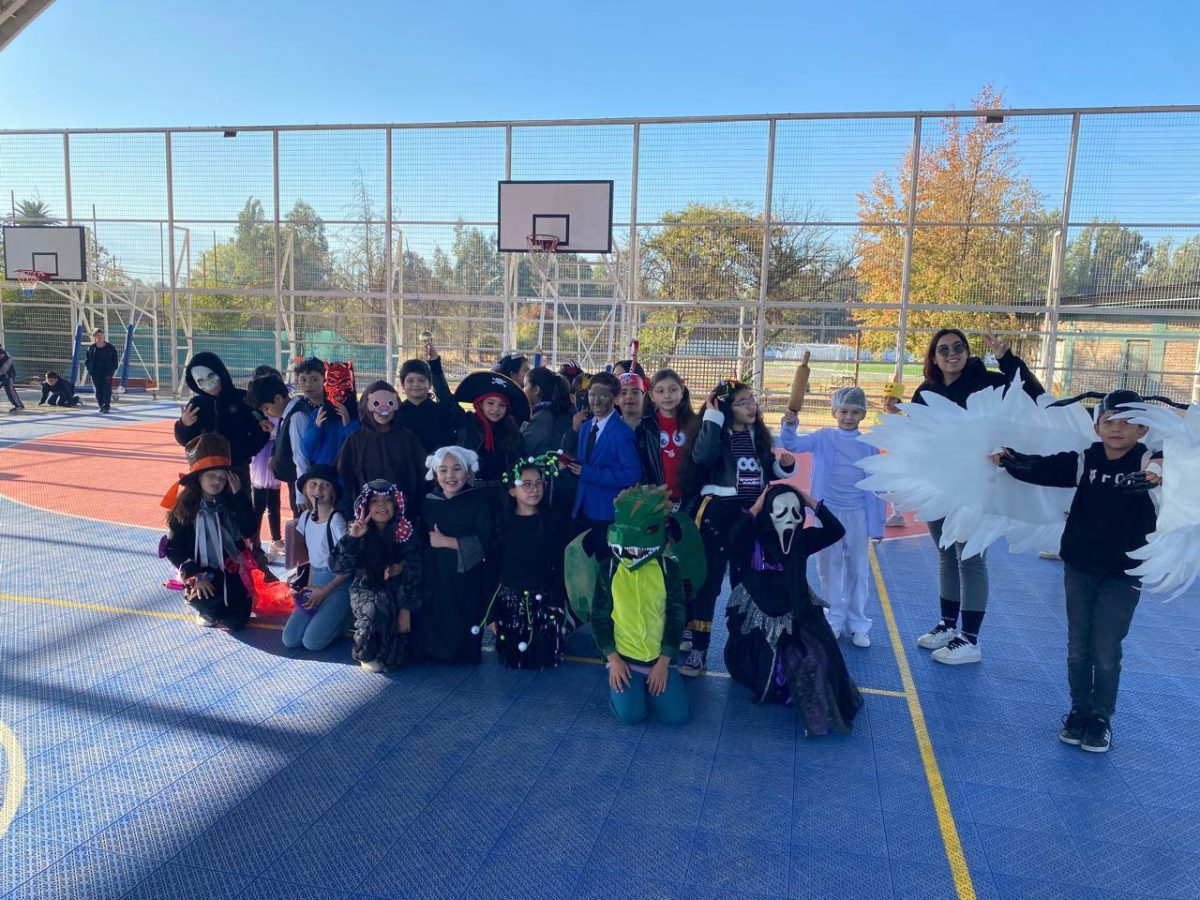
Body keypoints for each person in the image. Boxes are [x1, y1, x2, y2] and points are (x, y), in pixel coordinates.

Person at [991, 390, 1160, 753]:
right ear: (1097, 426)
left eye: (1128, 422)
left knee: (1106, 648)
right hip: (1080, 567)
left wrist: (1160, 468)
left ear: (1143, 428)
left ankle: (1101, 718)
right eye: (1109, 421)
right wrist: (1009, 459)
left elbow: (1185, 458)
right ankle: (1079, 711)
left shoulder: (1151, 463)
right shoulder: (1086, 460)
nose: (1117, 429)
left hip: (1124, 572)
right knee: (1077, 648)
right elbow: (1043, 466)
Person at [911, 329, 1043, 665]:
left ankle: (970, 639)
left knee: (969, 556)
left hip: (976, 484)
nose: (951, 353)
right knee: (945, 553)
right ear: (934, 356)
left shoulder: (989, 381)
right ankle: (948, 625)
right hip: (938, 482)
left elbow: (1033, 394)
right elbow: (915, 435)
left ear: (968, 352)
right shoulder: (926, 391)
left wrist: (1007, 358)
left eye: (958, 347)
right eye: (943, 349)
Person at [724, 484, 863, 734]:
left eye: (794, 512)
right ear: (767, 513)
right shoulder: (753, 541)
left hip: (797, 614)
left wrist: (811, 503)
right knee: (771, 668)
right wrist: (757, 505)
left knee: (816, 659)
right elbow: (732, 537)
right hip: (759, 620)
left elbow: (836, 530)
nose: (789, 519)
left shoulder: (802, 541)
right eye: (781, 513)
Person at [679, 380, 796, 676]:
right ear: (726, 408)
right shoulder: (716, 434)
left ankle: (742, 651)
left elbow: (765, 469)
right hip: (718, 515)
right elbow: (702, 456)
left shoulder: (757, 437)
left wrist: (783, 466)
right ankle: (698, 649)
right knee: (709, 583)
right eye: (742, 401)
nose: (751, 405)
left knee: (745, 584)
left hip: (752, 517)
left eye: (752, 399)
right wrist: (712, 416)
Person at [780, 386, 885, 648]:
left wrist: (877, 524)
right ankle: (834, 618)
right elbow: (792, 444)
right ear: (834, 411)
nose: (849, 417)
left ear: (863, 414)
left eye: (855, 412)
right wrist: (789, 424)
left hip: (858, 513)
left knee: (858, 568)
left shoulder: (868, 444)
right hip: (828, 514)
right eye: (844, 411)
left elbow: (878, 483)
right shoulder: (823, 437)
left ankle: (858, 623)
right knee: (829, 566)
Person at [590, 485, 689, 726]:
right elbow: (599, 616)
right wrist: (612, 659)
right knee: (631, 716)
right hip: (623, 659)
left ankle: (649, 684)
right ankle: (626, 691)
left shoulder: (668, 570)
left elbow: (676, 616)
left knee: (677, 716)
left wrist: (664, 661)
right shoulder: (610, 569)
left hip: (658, 659)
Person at [161, 434, 256, 630]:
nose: (217, 481)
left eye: (222, 477)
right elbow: (175, 549)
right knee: (211, 604)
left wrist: (239, 496)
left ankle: (219, 607)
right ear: (199, 478)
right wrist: (194, 575)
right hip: (201, 573)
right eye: (211, 476)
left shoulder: (229, 504)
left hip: (229, 570)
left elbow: (248, 529)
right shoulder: (185, 508)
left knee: (238, 621)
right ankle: (201, 606)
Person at [332, 479, 422, 672]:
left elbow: (416, 569)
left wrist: (406, 609)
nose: (382, 505)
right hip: (366, 589)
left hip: (398, 590)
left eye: (388, 500)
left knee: (396, 658)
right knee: (375, 609)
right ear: (365, 506)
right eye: (374, 501)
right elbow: (338, 566)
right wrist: (352, 539)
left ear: (396, 505)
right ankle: (363, 648)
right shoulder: (358, 531)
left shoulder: (406, 533)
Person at [416, 446, 495, 665]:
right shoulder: (429, 501)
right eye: (443, 470)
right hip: (435, 571)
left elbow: (487, 541)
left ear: (468, 472)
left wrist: (449, 543)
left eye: (457, 469)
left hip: (466, 575)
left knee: (462, 617)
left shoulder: (479, 501)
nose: (450, 476)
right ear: (435, 473)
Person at [487, 454, 566, 669]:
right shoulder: (502, 524)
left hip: (543, 602)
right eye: (526, 484)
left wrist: (557, 599)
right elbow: (493, 569)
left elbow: (560, 564)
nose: (534, 489)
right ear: (512, 490)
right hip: (511, 605)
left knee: (544, 659)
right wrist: (492, 613)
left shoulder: (552, 521)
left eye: (538, 483)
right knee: (515, 663)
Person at [174, 351, 270, 502]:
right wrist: (183, 425)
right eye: (201, 381)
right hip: (204, 472)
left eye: (211, 376)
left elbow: (262, 428)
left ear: (220, 371)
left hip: (237, 469)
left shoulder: (243, 399)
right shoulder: (196, 405)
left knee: (240, 512)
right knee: (204, 512)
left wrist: (247, 451)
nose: (208, 383)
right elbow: (185, 440)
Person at [566, 371, 641, 552]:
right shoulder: (585, 427)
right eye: (592, 395)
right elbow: (583, 463)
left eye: (603, 396)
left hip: (606, 512)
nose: (596, 401)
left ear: (615, 399)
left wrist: (589, 473)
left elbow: (632, 474)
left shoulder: (622, 433)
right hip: (582, 507)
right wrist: (568, 465)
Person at [282, 464, 351, 652]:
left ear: (333, 494)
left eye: (325, 485)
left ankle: (346, 618)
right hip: (318, 584)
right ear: (305, 490)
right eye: (313, 484)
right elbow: (314, 559)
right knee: (290, 639)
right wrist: (310, 586)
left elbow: (348, 568)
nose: (318, 490)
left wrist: (324, 592)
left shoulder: (336, 522)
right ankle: (328, 614)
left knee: (312, 642)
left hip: (337, 585)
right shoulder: (305, 518)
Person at [335, 381, 427, 521]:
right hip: (365, 516)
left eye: (389, 403)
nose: (383, 411)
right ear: (367, 407)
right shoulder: (356, 440)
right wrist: (349, 513)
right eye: (376, 404)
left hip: (402, 514)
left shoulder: (407, 438)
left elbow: (420, 475)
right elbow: (346, 478)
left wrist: (416, 510)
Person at [453, 371, 529, 487]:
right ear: (480, 404)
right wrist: (435, 365)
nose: (496, 409)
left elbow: (521, 463)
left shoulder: (514, 433)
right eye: (490, 403)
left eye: (502, 405)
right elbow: (447, 403)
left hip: (503, 491)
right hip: (471, 490)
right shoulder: (468, 424)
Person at [273, 356, 324, 515]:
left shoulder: (333, 407)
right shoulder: (300, 411)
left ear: (325, 379)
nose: (308, 384)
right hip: (311, 477)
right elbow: (299, 454)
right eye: (303, 379)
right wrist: (301, 493)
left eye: (314, 379)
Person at [638, 368, 697, 504]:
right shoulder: (645, 427)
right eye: (660, 391)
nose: (667, 395)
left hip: (689, 498)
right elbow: (642, 465)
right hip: (656, 498)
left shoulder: (694, 424)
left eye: (673, 390)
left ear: (682, 392)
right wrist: (650, 494)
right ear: (652, 396)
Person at [246, 373, 288, 559]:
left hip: (275, 457)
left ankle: (276, 540)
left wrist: (274, 433)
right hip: (263, 460)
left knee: (274, 503)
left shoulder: (281, 412)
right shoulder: (260, 413)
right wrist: (270, 433)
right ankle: (253, 543)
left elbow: (279, 433)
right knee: (259, 504)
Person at [396, 343, 461, 454]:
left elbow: (447, 399)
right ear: (402, 384)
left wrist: (435, 364)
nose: (416, 384)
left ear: (430, 383)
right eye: (410, 381)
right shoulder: (396, 414)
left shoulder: (441, 411)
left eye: (421, 380)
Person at [521, 367, 575, 457]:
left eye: (525, 386)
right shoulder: (554, 410)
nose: (523, 390)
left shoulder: (542, 417)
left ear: (536, 390)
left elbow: (524, 447)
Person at [879, 380, 907, 528]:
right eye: (885, 398)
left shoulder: (902, 419)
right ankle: (896, 515)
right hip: (883, 459)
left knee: (892, 488)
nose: (887, 401)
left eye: (892, 398)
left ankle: (898, 515)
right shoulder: (881, 418)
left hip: (896, 460)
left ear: (899, 401)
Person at [85, 327, 119, 413]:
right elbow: (88, 360)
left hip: (106, 373)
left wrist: (112, 369)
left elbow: (115, 360)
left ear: (103, 336)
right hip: (95, 372)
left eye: (101, 336)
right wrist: (89, 369)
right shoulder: (91, 348)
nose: (99, 337)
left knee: (106, 389)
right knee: (98, 389)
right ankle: (101, 405)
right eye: (97, 336)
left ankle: (107, 405)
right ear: (94, 337)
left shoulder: (110, 347)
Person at [0, 344, 25, 412]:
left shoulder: (2, 353)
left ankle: (19, 405)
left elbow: (5, 367)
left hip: (7, 375)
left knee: (9, 389)